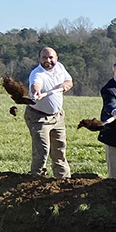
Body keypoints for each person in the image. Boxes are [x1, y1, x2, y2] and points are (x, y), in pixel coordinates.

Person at [25, 47, 73, 178]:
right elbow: (36, 84)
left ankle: (63, 179)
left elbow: (69, 81)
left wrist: (65, 85)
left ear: (56, 58)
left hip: (57, 117)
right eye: (44, 58)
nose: (48, 60)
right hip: (39, 117)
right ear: (39, 59)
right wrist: (36, 91)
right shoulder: (37, 73)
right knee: (42, 150)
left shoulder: (60, 68)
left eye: (51, 57)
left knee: (59, 149)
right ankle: (37, 179)